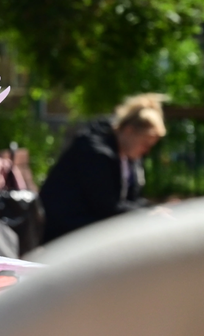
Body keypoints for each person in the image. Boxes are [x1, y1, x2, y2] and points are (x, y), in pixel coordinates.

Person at [39, 94, 168, 243]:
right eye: (145, 144)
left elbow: (129, 200)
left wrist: (153, 209)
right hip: (64, 231)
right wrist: (147, 214)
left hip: (88, 226)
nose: (146, 151)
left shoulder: (127, 154)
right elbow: (107, 208)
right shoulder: (95, 152)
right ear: (129, 131)